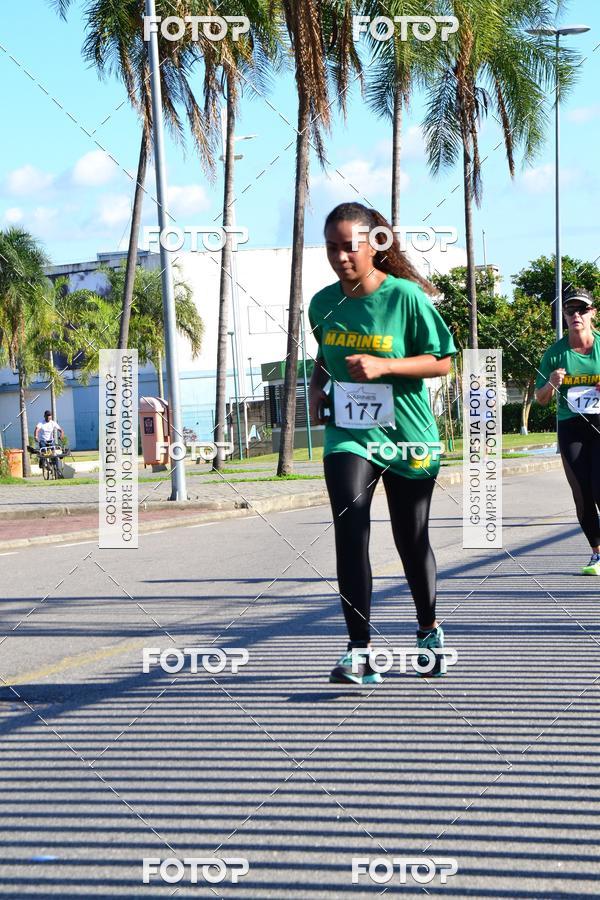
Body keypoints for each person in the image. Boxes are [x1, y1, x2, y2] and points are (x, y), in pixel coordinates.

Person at [308, 202, 457, 684]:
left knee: (411, 539)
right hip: (350, 437)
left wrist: (384, 367)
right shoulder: (321, 303)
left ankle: (428, 631)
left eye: (348, 246)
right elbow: (326, 354)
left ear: (373, 245)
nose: (340, 257)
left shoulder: (406, 299)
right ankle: (360, 651)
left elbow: (442, 363)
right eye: (331, 247)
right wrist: (316, 383)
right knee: (350, 531)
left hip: (409, 437)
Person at [535, 288, 600, 575]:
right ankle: (597, 554)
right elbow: (540, 398)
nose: (576, 315)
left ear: (592, 313)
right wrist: (551, 383)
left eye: (582, 310)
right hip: (571, 427)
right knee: (582, 493)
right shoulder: (555, 353)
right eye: (570, 310)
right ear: (563, 316)